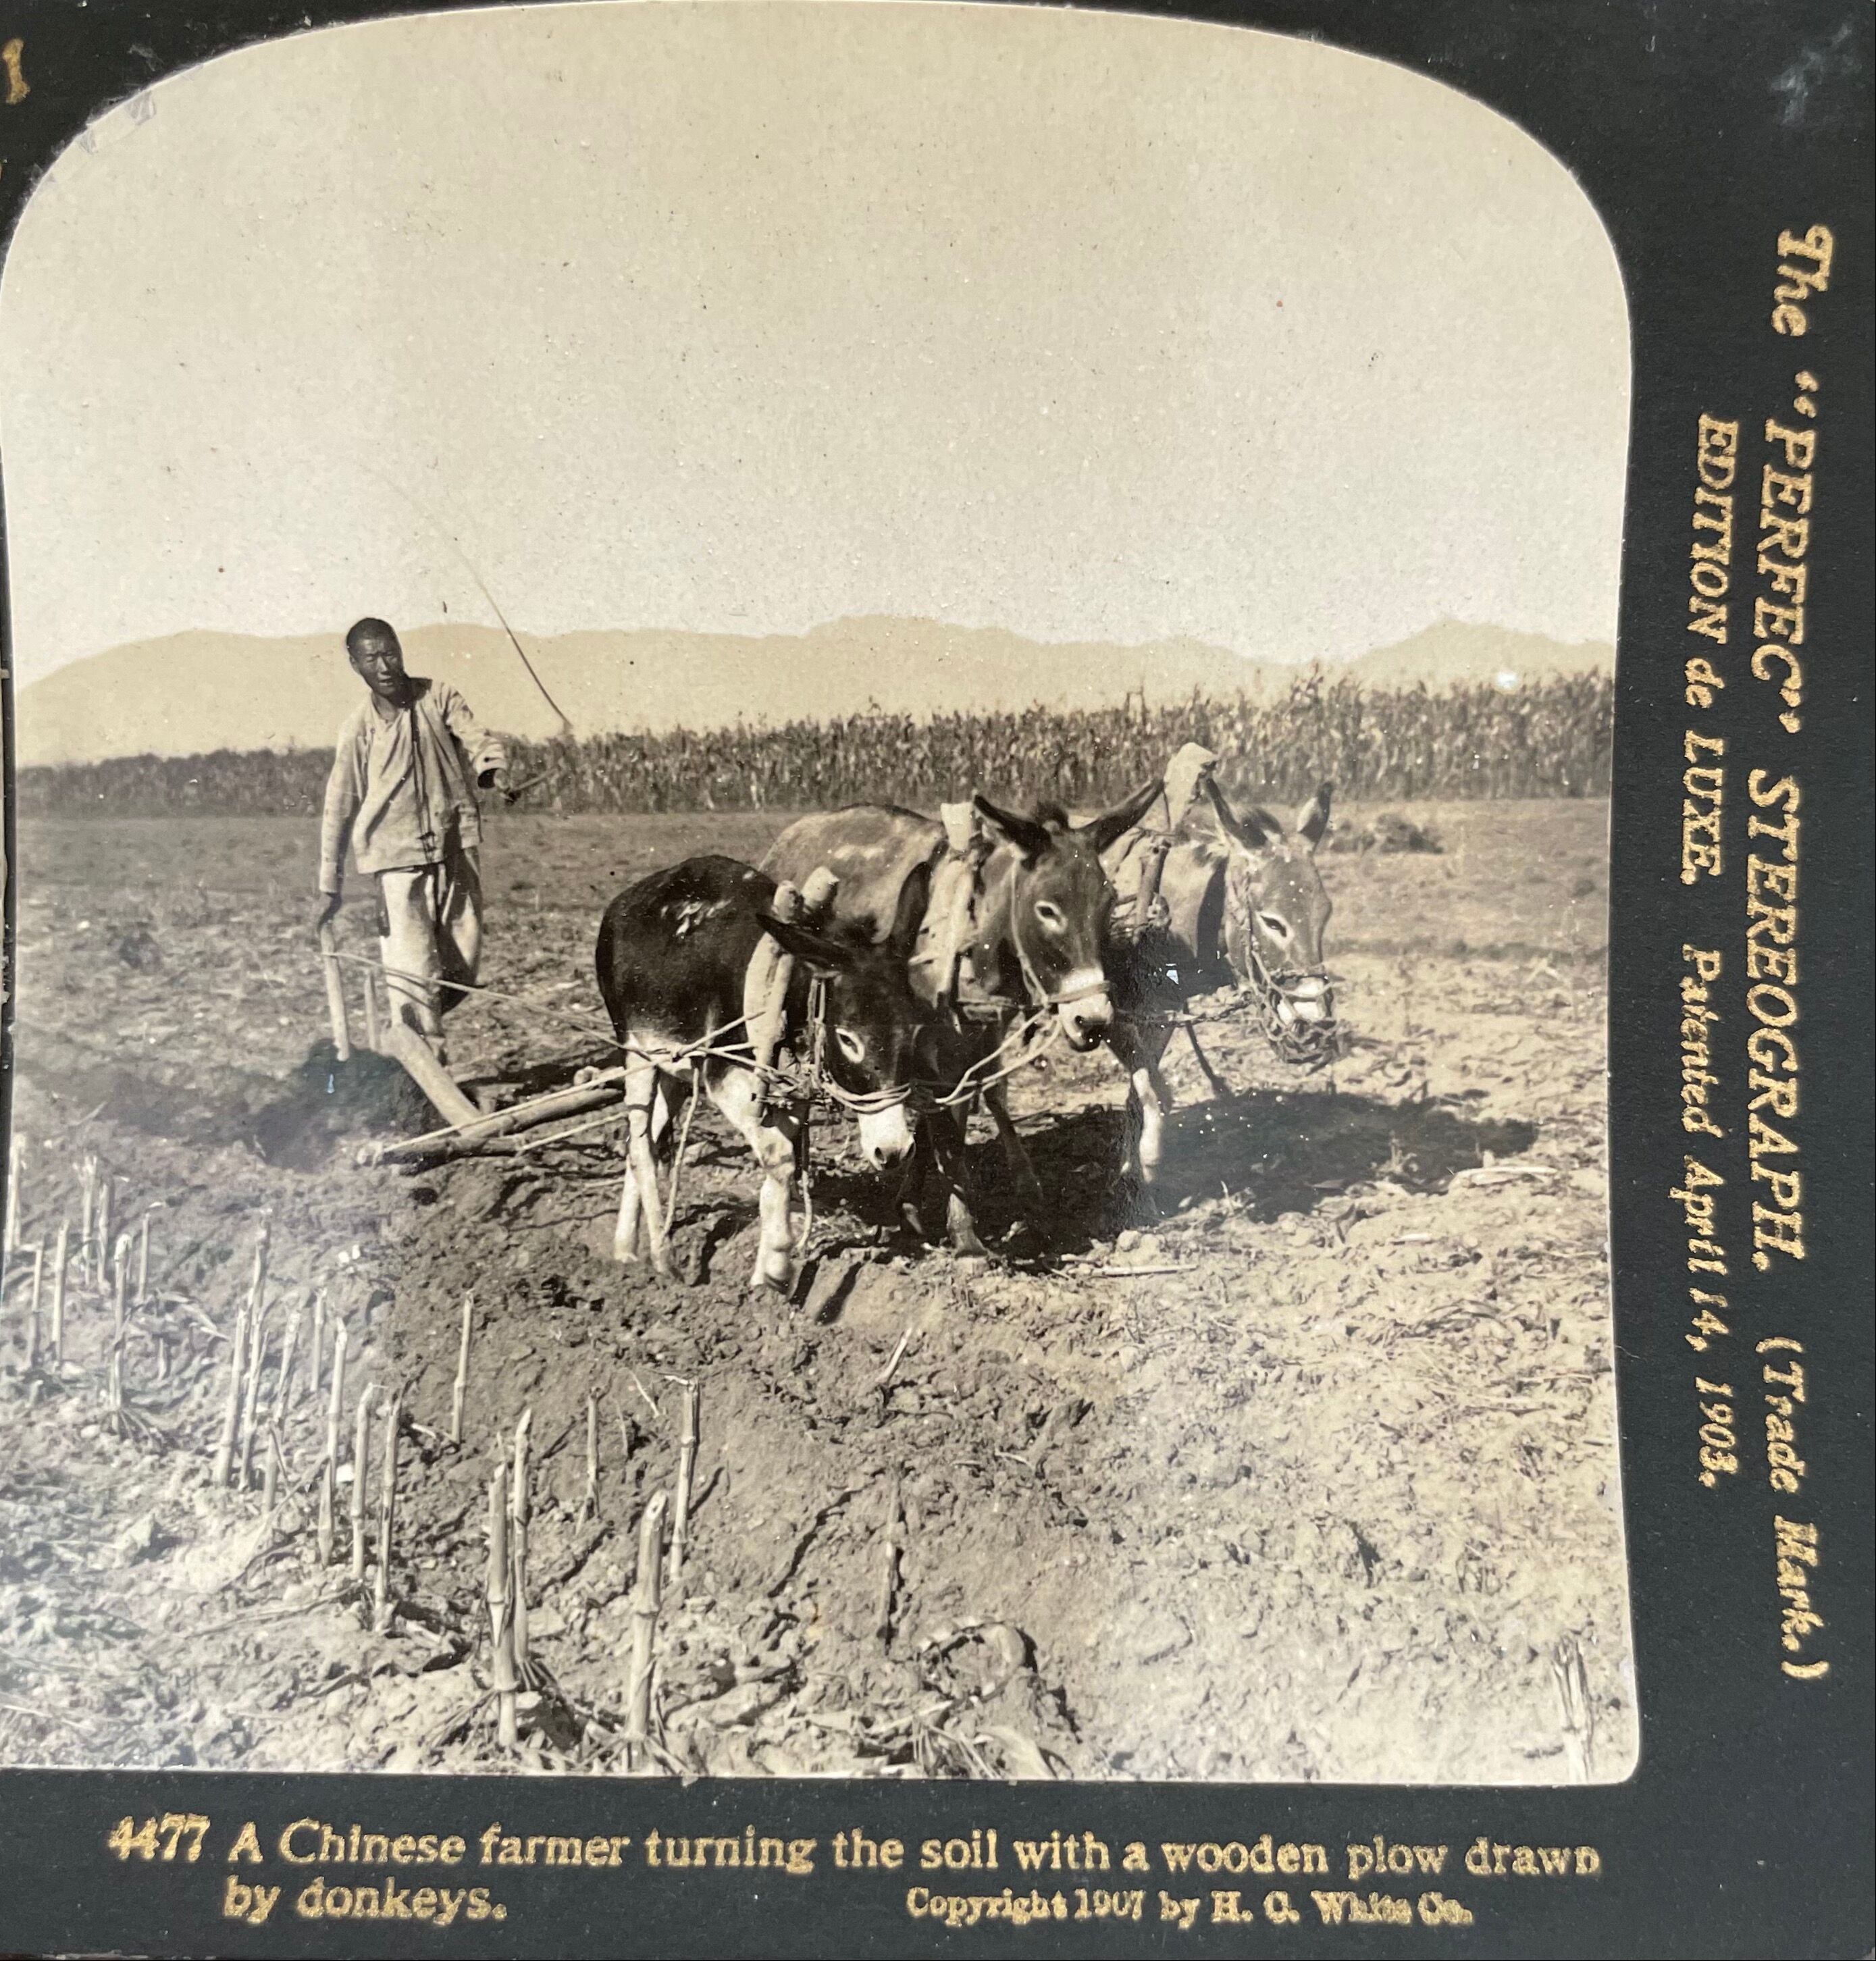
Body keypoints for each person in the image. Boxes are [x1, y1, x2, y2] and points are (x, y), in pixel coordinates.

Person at [315, 617, 507, 1057]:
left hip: (454, 850)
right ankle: (423, 1068)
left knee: (461, 967)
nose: (384, 666)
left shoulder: (438, 697)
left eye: (391, 653)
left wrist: (492, 770)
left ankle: (406, 1040)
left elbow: (477, 738)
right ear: (355, 665)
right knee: (412, 976)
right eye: (372, 658)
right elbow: (338, 806)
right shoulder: (358, 729)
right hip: (396, 865)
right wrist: (330, 883)